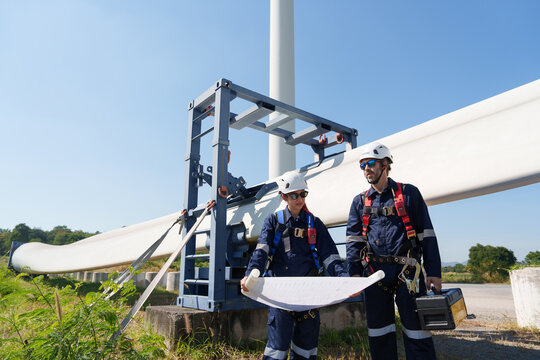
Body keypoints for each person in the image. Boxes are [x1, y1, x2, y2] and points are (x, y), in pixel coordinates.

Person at [346, 142, 442, 360]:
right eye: (362, 165)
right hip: (374, 275)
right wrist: (353, 275)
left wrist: (434, 271)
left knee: (417, 333)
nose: (366, 169)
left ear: (385, 164)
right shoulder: (359, 202)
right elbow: (354, 241)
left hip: (407, 274)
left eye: (370, 163)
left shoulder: (409, 194)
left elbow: (426, 233)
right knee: (379, 334)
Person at [241, 170, 347, 360]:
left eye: (303, 194)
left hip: (308, 292)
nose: (299, 199)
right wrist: (251, 274)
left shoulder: (315, 224)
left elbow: (330, 256)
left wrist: (343, 279)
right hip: (280, 292)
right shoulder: (273, 221)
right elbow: (262, 251)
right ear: (284, 197)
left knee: (305, 349)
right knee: (277, 348)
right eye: (294, 195)